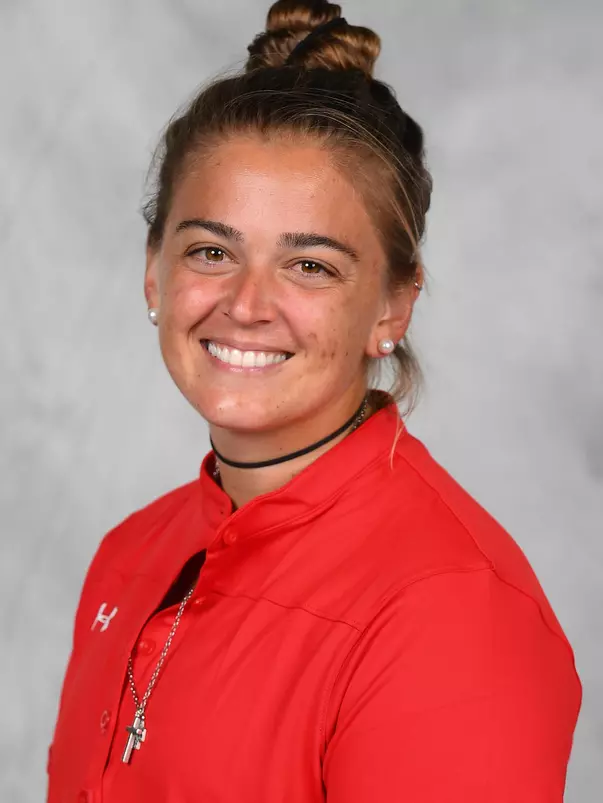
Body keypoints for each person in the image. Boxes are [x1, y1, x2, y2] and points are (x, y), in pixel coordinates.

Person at [47, 2, 582, 801]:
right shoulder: (130, 555)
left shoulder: (449, 616)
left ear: (392, 308)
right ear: (154, 272)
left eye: (311, 267)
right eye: (211, 250)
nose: (246, 302)